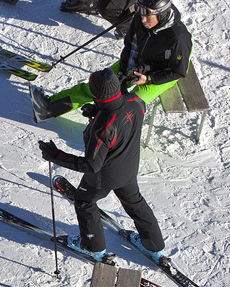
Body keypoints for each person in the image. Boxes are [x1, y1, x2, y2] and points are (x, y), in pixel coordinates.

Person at [38, 68, 165, 263]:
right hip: (129, 167)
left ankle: (93, 248)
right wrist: (98, 110)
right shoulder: (135, 101)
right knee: (135, 203)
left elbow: (91, 165)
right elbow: (120, 112)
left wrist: (55, 155)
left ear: (96, 94)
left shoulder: (103, 127)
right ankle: (154, 246)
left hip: (104, 176)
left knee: (84, 202)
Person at [32, 0, 192, 121]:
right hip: (139, 61)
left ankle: (107, 132)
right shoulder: (140, 19)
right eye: (141, 13)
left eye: (147, 16)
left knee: (131, 103)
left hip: (161, 72)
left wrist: (148, 79)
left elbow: (178, 72)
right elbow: (130, 46)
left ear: (162, 15)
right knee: (103, 84)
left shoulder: (178, 38)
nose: (143, 19)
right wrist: (123, 73)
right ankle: (49, 108)